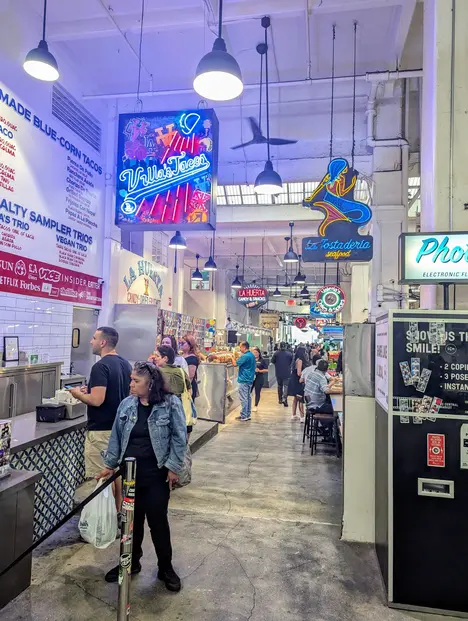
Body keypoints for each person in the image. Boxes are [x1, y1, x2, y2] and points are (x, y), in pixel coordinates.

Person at [98, 361, 186, 591]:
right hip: (130, 475)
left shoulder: (170, 404)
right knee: (130, 522)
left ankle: (165, 567)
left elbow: (179, 437)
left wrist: (173, 467)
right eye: (131, 380)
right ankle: (130, 562)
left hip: (157, 475)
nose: (131, 384)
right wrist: (109, 465)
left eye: (136, 381)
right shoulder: (127, 405)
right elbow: (116, 437)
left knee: (158, 522)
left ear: (151, 384)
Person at [69, 327, 131, 483]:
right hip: (120, 428)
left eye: (94, 338)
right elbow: (116, 390)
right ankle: (117, 501)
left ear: (103, 343)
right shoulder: (125, 364)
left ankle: (104, 501)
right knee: (114, 474)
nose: (91, 342)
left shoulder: (100, 366)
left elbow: (97, 400)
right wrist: (89, 390)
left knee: (102, 478)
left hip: (101, 431)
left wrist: (77, 394)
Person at [153, 345, 193, 436]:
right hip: (181, 410)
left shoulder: (157, 373)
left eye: (157, 356)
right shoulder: (181, 371)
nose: (155, 358)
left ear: (165, 358)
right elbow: (189, 390)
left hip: (163, 412)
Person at [234, 341, 256, 421]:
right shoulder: (251, 355)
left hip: (244, 379)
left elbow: (235, 364)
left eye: (240, 347)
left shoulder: (245, 356)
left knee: (244, 398)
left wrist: (232, 357)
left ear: (244, 347)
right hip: (250, 379)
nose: (240, 349)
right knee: (248, 398)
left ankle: (244, 415)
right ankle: (247, 414)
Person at [287, 345, 309, 422]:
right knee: (300, 398)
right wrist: (305, 374)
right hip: (298, 381)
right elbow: (299, 373)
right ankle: (302, 417)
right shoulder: (300, 360)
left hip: (294, 380)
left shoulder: (296, 359)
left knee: (296, 398)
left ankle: (293, 415)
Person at [271, 342, 293, 406]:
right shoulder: (289, 354)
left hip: (278, 372)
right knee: (286, 386)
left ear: (279, 346)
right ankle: (284, 398)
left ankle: (280, 399)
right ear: (285, 346)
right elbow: (291, 362)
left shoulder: (276, 353)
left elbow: (272, 361)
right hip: (287, 372)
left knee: (280, 386)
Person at [181, 334, 200, 400]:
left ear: (190, 344)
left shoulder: (192, 359)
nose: (181, 345)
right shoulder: (183, 355)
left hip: (188, 388)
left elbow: (190, 377)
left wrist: (185, 389)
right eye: (180, 343)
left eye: (183, 343)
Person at [251, 346, 269, 412]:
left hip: (259, 378)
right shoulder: (250, 359)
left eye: (256, 352)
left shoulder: (262, 360)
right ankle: (247, 405)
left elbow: (267, 369)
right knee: (248, 391)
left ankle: (255, 405)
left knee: (257, 392)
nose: (255, 354)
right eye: (254, 352)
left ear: (259, 353)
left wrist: (260, 370)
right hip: (251, 378)